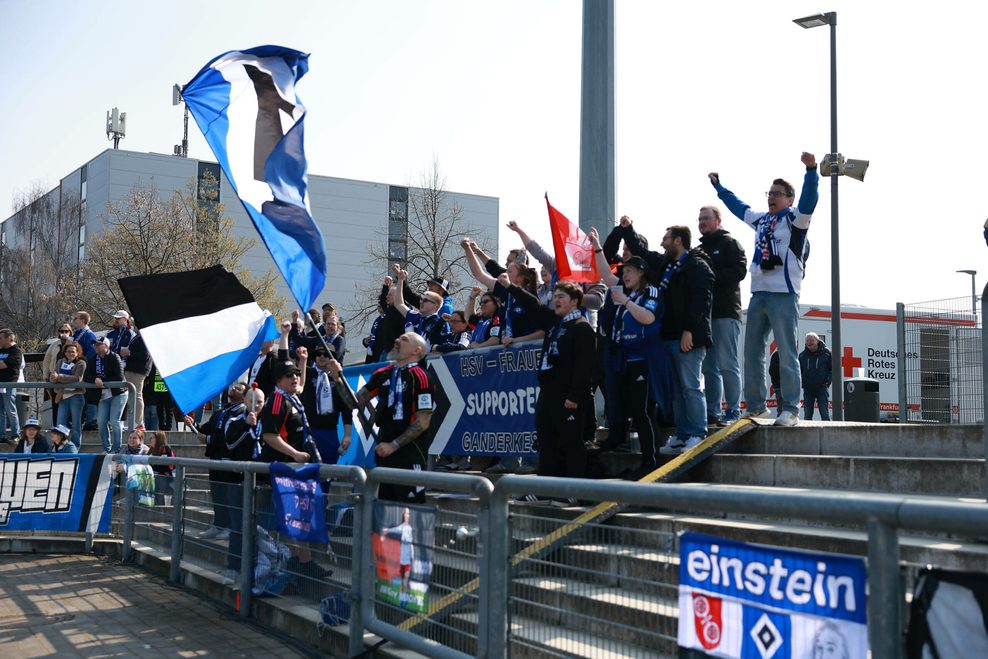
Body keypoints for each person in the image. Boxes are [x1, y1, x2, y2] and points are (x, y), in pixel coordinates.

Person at [709, 152, 820, 427]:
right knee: (752, 352)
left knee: (786, 351)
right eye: (769, 193)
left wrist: (811, 172)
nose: (771, 197)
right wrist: (720, 189)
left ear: (789, 199)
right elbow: (738, 207)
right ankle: (757, 406)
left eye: (778, 193)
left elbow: (810, 200)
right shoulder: (761, 220)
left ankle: (791, 408)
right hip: (758, 294)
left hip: (784, 294)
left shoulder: (796, 219)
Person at [588, 230, 665, 472]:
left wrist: (626, 303)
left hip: (643, 358)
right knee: (623, 406)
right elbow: (603, 273)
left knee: (642, 411)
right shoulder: (623, 290)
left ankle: (649, 461)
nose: (624, 275)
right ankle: (621, 443)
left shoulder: (649, 292)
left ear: (641, 272)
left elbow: (649, 318)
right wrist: (598, 247)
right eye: (623, 272)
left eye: (629, 271)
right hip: (623, 358)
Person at [329, 332, 435, 504]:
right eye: (399, 337)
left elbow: (423, 422)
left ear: (417, 350)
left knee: (410, 511)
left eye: (404, 339)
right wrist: (337, 378)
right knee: (386, 509)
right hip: (384, 452)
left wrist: (394, 445)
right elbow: (354, 403)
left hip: (410, 454)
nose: (397, 340)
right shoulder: (383, 373)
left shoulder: (421, 377)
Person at [696, 206, 748, 426]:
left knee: (728, 363)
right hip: (704, 316)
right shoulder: (698, 249)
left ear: (718, 220)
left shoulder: (730, 243)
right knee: (709, 368)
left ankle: (733, 410)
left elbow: (740, 271)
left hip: (726, 312)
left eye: (706, 218)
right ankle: (712, 412)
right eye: (700, 219)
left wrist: (711, 276)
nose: (702, 222)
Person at [301, 346, 353, 464]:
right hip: (308, 430)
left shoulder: (338, 380)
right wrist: (302, 360)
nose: (322, 356)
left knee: (327, 470)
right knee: (307, 470)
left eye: (326, 354)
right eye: (319, 353)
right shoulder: (308, 373)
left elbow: (347, 408)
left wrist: (347, 435)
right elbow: (299, 383)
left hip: (329, 431)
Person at [84, 336, 128, 453]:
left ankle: (116, 449)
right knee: (101, 422)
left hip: (118, 393)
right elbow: (86, 376)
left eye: (99, 344)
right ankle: (106, 449)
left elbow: (119, 377)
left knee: (114, 421)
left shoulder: (115, 357)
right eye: (95, 344)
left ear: (106, 346)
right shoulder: (93, 359)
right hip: (104, 395)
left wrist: (102, 380)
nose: (96, 346)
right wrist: (95, 379)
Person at [393, 266, 450, 351]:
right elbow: (399, 303)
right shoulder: (418, 316)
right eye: (422, 300)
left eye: (425, 300)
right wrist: (400, 280)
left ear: (436, 305)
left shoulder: (441, 318)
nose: (421, 302)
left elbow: (445, 344)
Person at [51, 340, 87, 449]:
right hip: (63, 396)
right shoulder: (60, 362)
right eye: (68, 351)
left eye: (73, 352)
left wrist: (59, 377)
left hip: (76, 396)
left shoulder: (81, 363)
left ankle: (75, 448)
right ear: (64, 352)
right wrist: (54, 377)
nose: (70, 354)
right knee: (60, 424)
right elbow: (53, 378)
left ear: (77, 353)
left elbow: (77, 379)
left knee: (76, 425)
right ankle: (59, 447)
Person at [71, 311, 99, 431]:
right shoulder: (77, 334)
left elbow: (92, 354)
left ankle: (90, 421)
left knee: (89, 396)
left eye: (75, 318)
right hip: (77, 370)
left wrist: (80, 362)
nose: (73, 321)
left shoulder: (89, 335)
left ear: (83, 320)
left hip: (86, 371)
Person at [383, 507, 416, 606]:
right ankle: (402, 599)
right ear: (403, 515)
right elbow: (396, 530)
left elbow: (411, 544)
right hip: (402, 559)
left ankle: (406, 598)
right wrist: (387, 530)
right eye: (406, 513)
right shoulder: (402, 527)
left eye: (408, 514)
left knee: (406, 578)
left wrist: (412, 556)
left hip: (408, 559)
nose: (407, 515)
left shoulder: (409, 528)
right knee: (402, 580)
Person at [42, 324, 73, 423]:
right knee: (55, 402)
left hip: (68, 377)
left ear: (70, 332)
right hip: (54, 377)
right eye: (61, 331)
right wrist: (46, 374)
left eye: (66, 331)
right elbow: (47, 359)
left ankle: (67, 426)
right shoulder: (54, 344)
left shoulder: (73, 344)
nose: (64, 333)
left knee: (68, 401)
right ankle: (56, 426)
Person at [122, 329, 152, 430]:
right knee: (132, 396)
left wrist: (129, 352)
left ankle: (138, 423)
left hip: (138, 370)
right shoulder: (138, 336)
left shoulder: (145, 336)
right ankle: (135, 421)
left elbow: (145, 355)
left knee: (136, 395)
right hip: (133, 369)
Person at [799, 332, 833, 421]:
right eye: (807, 341)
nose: (809, 343)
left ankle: (827, 433)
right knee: (807, 415)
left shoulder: (827, 353)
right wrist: (802, 382)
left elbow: (833, 369)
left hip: (822, 387)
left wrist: (827, 382)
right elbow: (799, 371)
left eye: (811, 340)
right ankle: (806, 434)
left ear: (817, 341)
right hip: (808, 388)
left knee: (824, 414)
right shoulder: (802, 355)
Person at [0, 329, 24, 443]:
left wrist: (2, 364)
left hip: (9, 383)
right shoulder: (1, 350)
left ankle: (16, 434)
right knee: (0, 411)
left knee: (10, 410)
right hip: (0, 384)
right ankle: (1, 435)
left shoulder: (16, 351)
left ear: (9, 338)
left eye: (1, 338)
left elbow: (4, 365)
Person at [149, 431, 176, 504]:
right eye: (150, 438)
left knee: (160, 481)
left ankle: (160, 507)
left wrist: (155, 468)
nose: (150, 440)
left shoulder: (166, 449)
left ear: (159, 439)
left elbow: (166, 467)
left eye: (152, 438)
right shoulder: (151, 450)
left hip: (167, 479)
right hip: (155, 476)